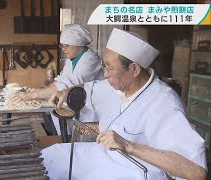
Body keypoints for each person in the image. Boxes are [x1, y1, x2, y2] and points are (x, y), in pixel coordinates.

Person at [42, 28, 207, 180]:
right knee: (51, 156)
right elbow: (89, 88)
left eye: (109, 68)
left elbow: (197, 172)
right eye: (104, 67)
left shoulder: (164, 102)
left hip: (136, 171)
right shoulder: (116, 85)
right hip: (105, 156)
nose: (105, 75)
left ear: (134, 69)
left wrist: (129, 146)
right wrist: (66, 92)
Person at [11, 24, 104, 134]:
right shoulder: (73, 58)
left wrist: (31, 95)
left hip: (92, 105)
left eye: (67, 46)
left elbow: (67, 86)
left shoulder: (90, 61)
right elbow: (62, 78)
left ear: (78, 45)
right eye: (62, 46)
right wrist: (40, 91)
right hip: (78, 102)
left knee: (81, 137)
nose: (64, 49)